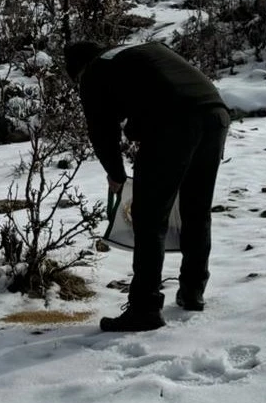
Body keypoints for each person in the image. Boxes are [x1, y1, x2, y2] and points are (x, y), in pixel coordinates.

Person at [64, 40, 230, 333]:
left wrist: (115, 174)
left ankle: (145, 308)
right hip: (215, 113)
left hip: (173, 122)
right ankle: (193, 291)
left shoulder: (94, 71)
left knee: (149, 216)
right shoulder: (139, 50)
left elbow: (101, 130)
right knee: (196, 208)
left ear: (78, 69)